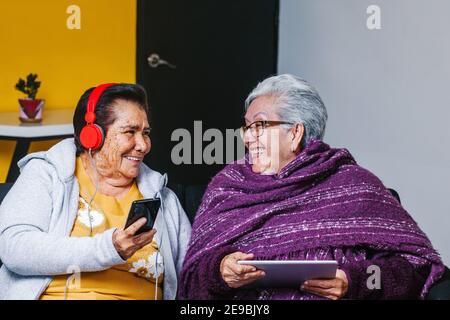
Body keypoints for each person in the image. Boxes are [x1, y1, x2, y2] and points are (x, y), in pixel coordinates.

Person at [179, 74, 445, 300]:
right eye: (246, 127)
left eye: (258, 126)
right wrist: (220, 271)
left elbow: (414, 267)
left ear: (295, 133)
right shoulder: (228, 188)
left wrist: (354, 283)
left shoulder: (353, 185)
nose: (248, 138)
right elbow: (191, 279)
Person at [0, 83, 191, 300]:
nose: (143, 145)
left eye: (145, 133)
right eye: (130, 131)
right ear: (92, 135)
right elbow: (14, 247)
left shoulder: (162, 197)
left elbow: (193, 269)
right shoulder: (48, 174)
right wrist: (108, 249)